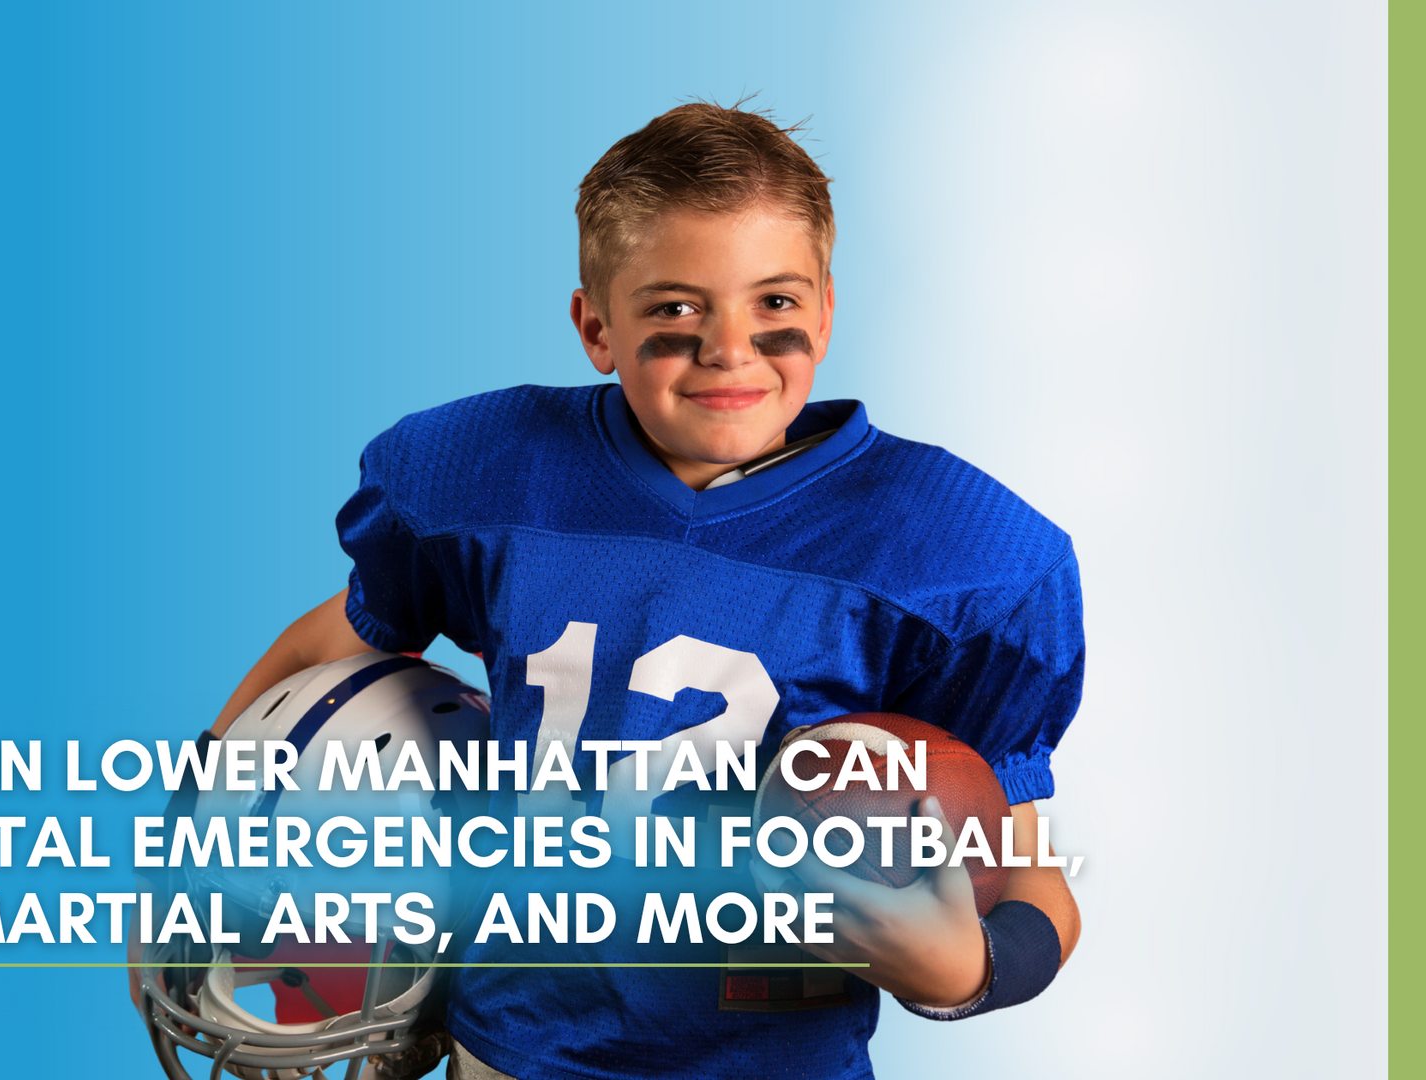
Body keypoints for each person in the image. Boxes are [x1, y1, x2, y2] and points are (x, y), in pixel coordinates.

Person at [203, 102, 1084, 1080]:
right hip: (511, 1051)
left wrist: (972, 965)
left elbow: (1030, 871)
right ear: (595, 326)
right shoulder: (488, 472)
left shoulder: (947, 545)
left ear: (828, 310)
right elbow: (344, 639)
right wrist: (198, 835)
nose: (729, 348)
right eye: (675, 310)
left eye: (775, 306)